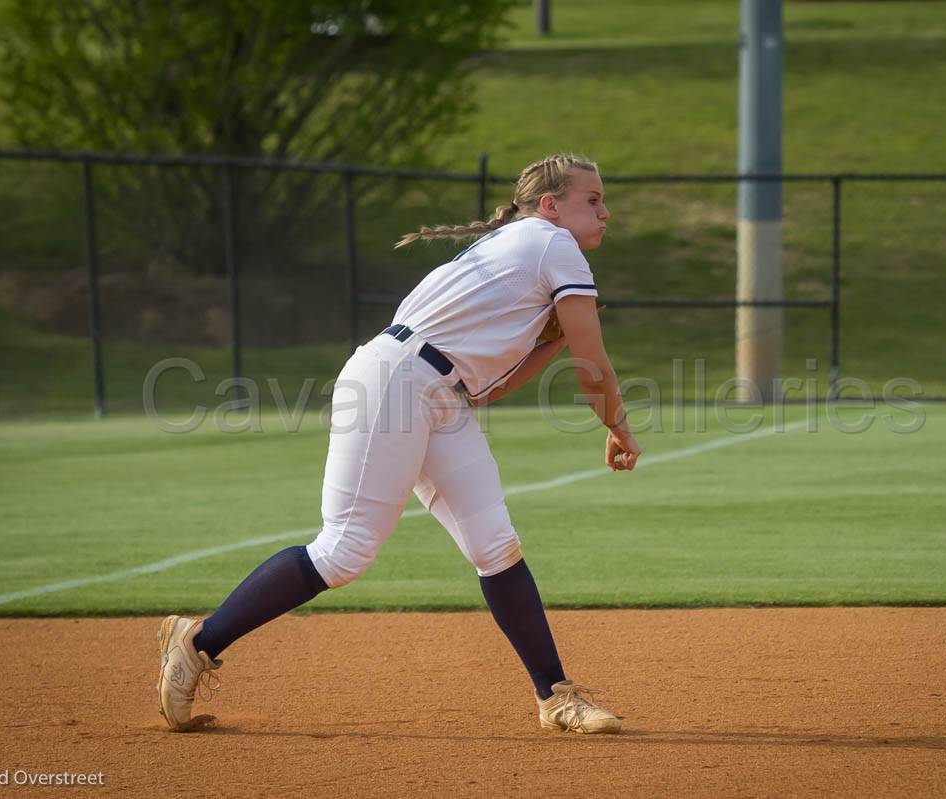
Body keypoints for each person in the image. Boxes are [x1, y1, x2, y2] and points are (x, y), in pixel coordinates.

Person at [157, 153, 642, 734]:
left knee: (496, 545)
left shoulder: (521, 251)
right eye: (593, 199)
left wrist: (550, 341)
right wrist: (618, 426)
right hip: (398, 380)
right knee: (344, 551)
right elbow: (594, 363)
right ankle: (198, 642)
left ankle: (555, 696)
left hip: (436, 390)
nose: (604, 211)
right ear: (549, 205)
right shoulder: (551, 244)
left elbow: (488, 391)